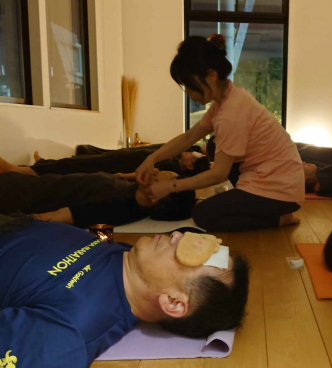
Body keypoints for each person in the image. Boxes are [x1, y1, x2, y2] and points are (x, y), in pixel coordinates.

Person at [0, 214, 249, 368]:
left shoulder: (71, 333)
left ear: (173, 302)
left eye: (191, 254)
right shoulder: (128, 257)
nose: (176, 235)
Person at [136, 34, 304, 232]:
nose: (188, 92)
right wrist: (152, 158)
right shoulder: (225, 101)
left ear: (211, 76)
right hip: (273, 179)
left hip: (281, 189)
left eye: (189, 85)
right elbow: (189, 137)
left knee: (203, 215)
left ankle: (280, 219)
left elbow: (219, 174)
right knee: (215, 149)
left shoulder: (232, 112)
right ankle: (264, 208)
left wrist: (171, 186)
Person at [0, 161, 196, 228]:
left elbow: (50, 218)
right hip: (23, 182)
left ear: (157, 197)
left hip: (13, 194)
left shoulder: (114, 207)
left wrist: (9, 226)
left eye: (160, 178)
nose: (156, 172)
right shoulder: (130, 192)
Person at [6, 147, 210, 178]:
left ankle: (20, 171)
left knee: (73, 166)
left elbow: (143, 174)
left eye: (192, 155)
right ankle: (42, 163)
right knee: (76, 161)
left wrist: (122, 176)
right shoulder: (172, 158)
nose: (188, 152)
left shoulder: (171, 168)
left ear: (190, 166)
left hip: (112, 166)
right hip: (114, 159)